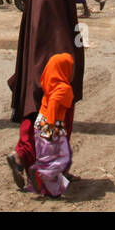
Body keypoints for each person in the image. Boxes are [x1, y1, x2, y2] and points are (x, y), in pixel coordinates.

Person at [7, 0, 85, 192]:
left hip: (52, 66)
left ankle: (51, 166)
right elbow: (49, 33)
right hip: (48, 68)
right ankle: (28, 160)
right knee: (42, 114)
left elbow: (71, 28)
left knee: (49, 115)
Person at [32, 52, 76, 197]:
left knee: (47, 156)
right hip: (52, 125)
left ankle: (52, 190)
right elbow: (53, 106)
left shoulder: (50, 82)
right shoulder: (63, 89)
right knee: (61, 157)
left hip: (40, 123)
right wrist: (51, 130)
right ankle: (41, 172)